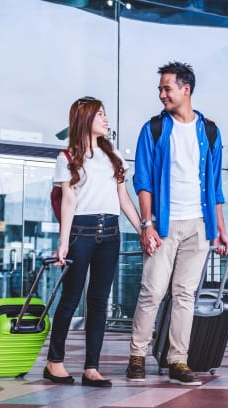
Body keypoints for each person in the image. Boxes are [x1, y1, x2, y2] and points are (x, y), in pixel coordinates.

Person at [126, 61, 228, 386]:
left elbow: (215, 186)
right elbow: (142, 180)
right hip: (163, 226)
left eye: (166, 88)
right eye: (160, 88)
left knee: (185, 294)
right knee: (152, 292)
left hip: (198, 225)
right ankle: (137, 356)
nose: (161, 94)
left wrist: (221, 230)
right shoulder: (153, 129)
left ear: (186, 89)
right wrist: (147, 224)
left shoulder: (210, 131)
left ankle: (178, 360)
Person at [44, 96, 143, 388]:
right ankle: (55, 362)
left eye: (104, 114)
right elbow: (69, 201)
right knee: (71, 298)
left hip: (111, 233)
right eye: (99, 114)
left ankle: (92, 368)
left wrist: (142, 229)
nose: (105, 119)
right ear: (84, 119)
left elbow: (123, 198)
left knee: (99, 302)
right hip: (80, 233)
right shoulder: (67, 158)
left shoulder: (114, 157)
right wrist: (63, 242)